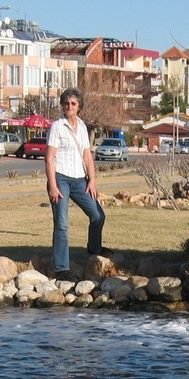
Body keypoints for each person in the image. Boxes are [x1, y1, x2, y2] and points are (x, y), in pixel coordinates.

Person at [44, 88, 111, 280]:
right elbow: (49, 159)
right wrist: (53, 185)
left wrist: (92, 180)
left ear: (79, 106)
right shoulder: (57, 126)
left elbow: (87, 155)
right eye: (66, 103)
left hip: (80, 180)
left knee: (98, 214)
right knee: (62, 224)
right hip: (61, 178)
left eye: (73, 104)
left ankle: (94, 248)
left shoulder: (82, 126)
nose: (69, 107)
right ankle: (61, 268)